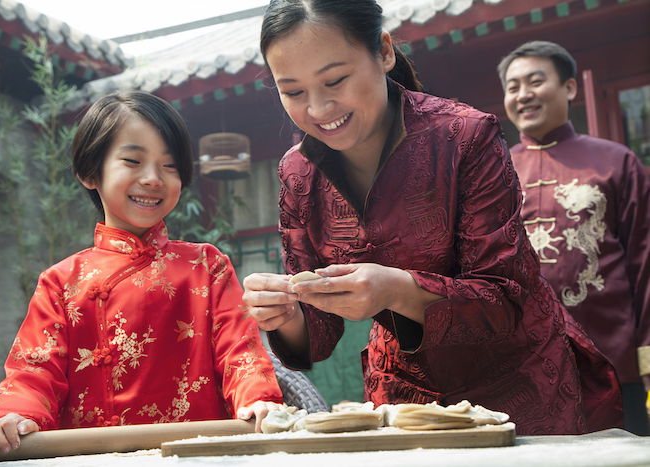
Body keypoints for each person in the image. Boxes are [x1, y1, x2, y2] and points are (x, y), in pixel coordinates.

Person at [242, 0, 623, 435]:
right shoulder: (298, 171)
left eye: (335, 79)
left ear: (384, 52)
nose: (319, 108)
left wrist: (398, 289)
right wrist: (287, 314)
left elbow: (505, 298)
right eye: (293, 92)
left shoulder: (464, 135)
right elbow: (317, 329)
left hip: (516, 382)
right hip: (404, 396)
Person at [0, 91, 284, 453]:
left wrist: (258, 400)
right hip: (92, 459)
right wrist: (15, 417)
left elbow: (239, 352)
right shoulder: (61, 280)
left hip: (193, 456)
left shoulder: (206, 265)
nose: (153, 179)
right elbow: (35, 371)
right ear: (90, 172)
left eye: (170, 166)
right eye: (133, 161)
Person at [498, 40, 650, 435]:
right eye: (513, 87)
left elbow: (645, 261)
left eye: (535, 81)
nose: (523, 95)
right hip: (521, 371)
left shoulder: (616, 162)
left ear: (568, 88)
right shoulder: (493, 172)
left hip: (615, 363)